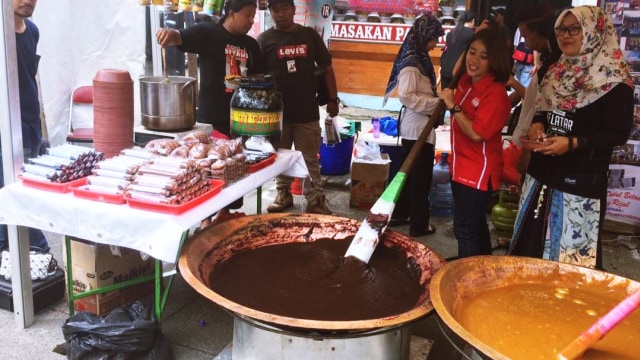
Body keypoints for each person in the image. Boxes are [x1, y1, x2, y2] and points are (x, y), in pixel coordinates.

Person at [507, 6, 634, 270]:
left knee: (571, 262)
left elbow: (618, 132)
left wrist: (574, 143)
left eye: (574, 29)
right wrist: (538, 125)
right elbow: (542, 107)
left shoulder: (614, 82)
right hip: (541, 176)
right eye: (561, 29)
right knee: (528, 252)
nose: (566, 35)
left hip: (580, 183)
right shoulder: (554, 70)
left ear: (594, 31)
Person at [156, 0, 265, 223]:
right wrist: (169, 33)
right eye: (247, 15)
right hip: (212, 120)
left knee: (235, 175)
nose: (251, 20)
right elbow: (180, 36)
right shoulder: (208, 33)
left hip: (241, 121)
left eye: (253, 15)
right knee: (210, 173)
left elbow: (259, 78)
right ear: (231, 13)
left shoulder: (251, 45)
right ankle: (206, 220)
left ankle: (224, 217)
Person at [257, 0, 339, 214]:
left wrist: (333, 99)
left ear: (294, 10)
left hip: (306, 110)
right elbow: (256, 78)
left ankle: (315, 199)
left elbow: (327, 68)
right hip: (276, 114)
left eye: (285, 8)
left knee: (309, 157)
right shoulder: (263, 41)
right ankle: (283, 193)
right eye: (275, 9)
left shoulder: (309, 36)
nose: (281, 13)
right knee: (280, 156)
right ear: (270, 13)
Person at [440, 28, 512, 258]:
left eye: (484, 56)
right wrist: (473, 39)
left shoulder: (496, 94)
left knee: (465, 229)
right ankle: (483, 270)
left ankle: (468, 284)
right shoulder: (465, 79)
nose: (475, 60)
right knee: (476, 224)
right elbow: (456, 68)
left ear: (495, 60)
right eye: (472, 52)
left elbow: (476, 134)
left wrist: (454, 107)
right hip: (460, 166)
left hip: (478, 172)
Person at [382, 13, 444, 237]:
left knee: (408, 177)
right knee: (419, 180)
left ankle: (400, 214)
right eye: (433, 38)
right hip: (417, 129)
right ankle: (418, 224)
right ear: (422, 35)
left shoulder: (420, 58)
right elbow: (407, 96)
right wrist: (437, 104)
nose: (435, 43)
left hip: (419, 127)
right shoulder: (411, 64)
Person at [0, 0, 50, 253]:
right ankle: (36, 250)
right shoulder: (1, 34)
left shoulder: (32, 31)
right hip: (4, 132)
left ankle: (28, 254)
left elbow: (29, 79)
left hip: (29, 129)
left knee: (24, 191)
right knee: (9, 194)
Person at [510, 5, 561, 174]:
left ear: (541, 32)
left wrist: (526, 152)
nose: (525, 42)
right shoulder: (547, 60)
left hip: (541, 148)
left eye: (526, 36)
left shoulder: (554, 68)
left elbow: (537, 107)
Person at [439, 11, 476, 90]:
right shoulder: (471, 34)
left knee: (445, 97)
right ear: (473, 21)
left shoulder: (451, 33)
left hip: (445, 70)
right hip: (458, 73)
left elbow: (445, 51)